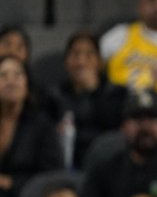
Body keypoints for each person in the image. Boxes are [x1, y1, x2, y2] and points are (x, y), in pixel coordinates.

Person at [47, 33, 126, 171]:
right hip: (64, 163)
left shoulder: (116, 93)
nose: (81, 62)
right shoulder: (54, 95)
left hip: (106, 165)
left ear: (100, 62)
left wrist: (92, 90)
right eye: (75, 55)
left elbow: (113, 129)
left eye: (89, 55)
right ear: (66, 61)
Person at [0, 56, 63, 197]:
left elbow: (51, 175)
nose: (11, 81)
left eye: (18, 75)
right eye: (3, 75)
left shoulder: (42, 125)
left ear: (27, 84)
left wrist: (10, 183)